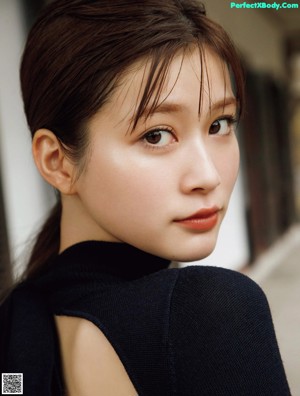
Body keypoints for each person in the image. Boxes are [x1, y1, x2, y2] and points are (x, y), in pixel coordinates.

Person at [0, 0, 291, 395]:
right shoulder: (209, 315)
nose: (208, 176)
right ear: (58, 163)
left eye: (220, 124)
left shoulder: (17, 328)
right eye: (156, 135)